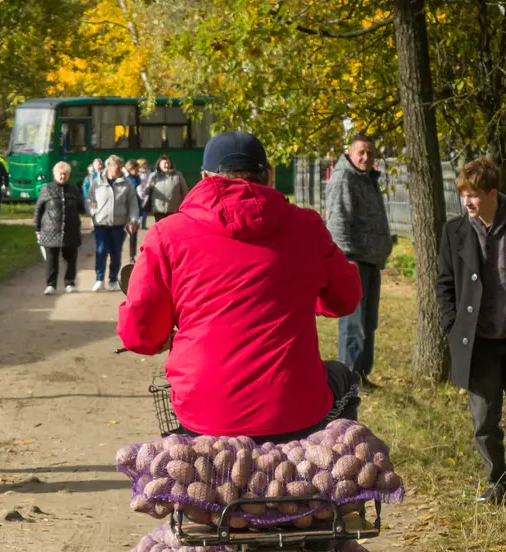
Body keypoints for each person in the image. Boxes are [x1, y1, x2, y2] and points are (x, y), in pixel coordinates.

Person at [117, 131, 362, 441]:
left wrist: (160, 336)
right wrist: (304, 296)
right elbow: (346, 299)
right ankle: (327, 467)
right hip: (294, 408)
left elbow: (139, 334)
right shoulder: (307, 226)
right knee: (346, 378)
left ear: (204, 177)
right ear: (269, 175)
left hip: (203, 411)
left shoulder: (167, 234)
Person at [436, 156, 506, 505]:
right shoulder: (454, 231)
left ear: (493, 193)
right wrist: (452, 326)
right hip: (479, 343)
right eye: (463, 194)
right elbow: (444, 285)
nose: (467, 202)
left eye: (474, 195)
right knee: (484, 420)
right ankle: (497, 480)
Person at [325, 134, 393, 390]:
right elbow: (338, 221)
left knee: (368, 322)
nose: (366, 158)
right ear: (350, 153)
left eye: (371, 154)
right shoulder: (344, 178)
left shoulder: (367, 179)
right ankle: (349, 379)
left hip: (372, 261)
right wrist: (347, 260)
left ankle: (362, 374)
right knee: (354, 324)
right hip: (355, 262)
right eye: (361, 152)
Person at [87, 155, 138, 292]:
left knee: (116, 252)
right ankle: (99, 279)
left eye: (120, 166)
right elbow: (90, 199)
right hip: (101, 223)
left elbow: (132, 204)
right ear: (109, 166)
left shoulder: (127, 184)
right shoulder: (97, 183)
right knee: (101, 250)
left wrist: (133, 220)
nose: (118, 169)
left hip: (119, 224)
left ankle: (113, 279)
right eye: (116, 166)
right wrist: (93, 212)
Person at [34, 161, 83, 294]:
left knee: (70, 258)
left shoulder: (74, 189)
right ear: (55, 174)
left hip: (70, 229)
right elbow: (39, 209)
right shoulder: (47, 188)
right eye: (61, 174)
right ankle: (51, 285)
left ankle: (69, 283)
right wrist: (37, 227)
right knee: (51, 259)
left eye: (66, 174)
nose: (63, 177)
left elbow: (81, 206)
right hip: (50, 230)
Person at [138, 155, 190, 224]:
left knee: (172, 230)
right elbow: (146, 192)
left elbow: (185, 191)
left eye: (168, 163)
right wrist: (149, 187)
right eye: (164, 163)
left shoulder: (178, 175)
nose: (167, 165)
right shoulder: (153, 175)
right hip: (158, 211)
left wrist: (186, 205)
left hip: (173, 210)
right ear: (159, 165)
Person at [124, 160, 145, 263]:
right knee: (129, 233)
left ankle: (132, 256)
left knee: (133, 234)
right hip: (128, 209)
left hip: (137, 208)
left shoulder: (137, 178)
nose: (137, 170)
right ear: (130, 169)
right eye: (135, 169)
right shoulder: (127, 180)